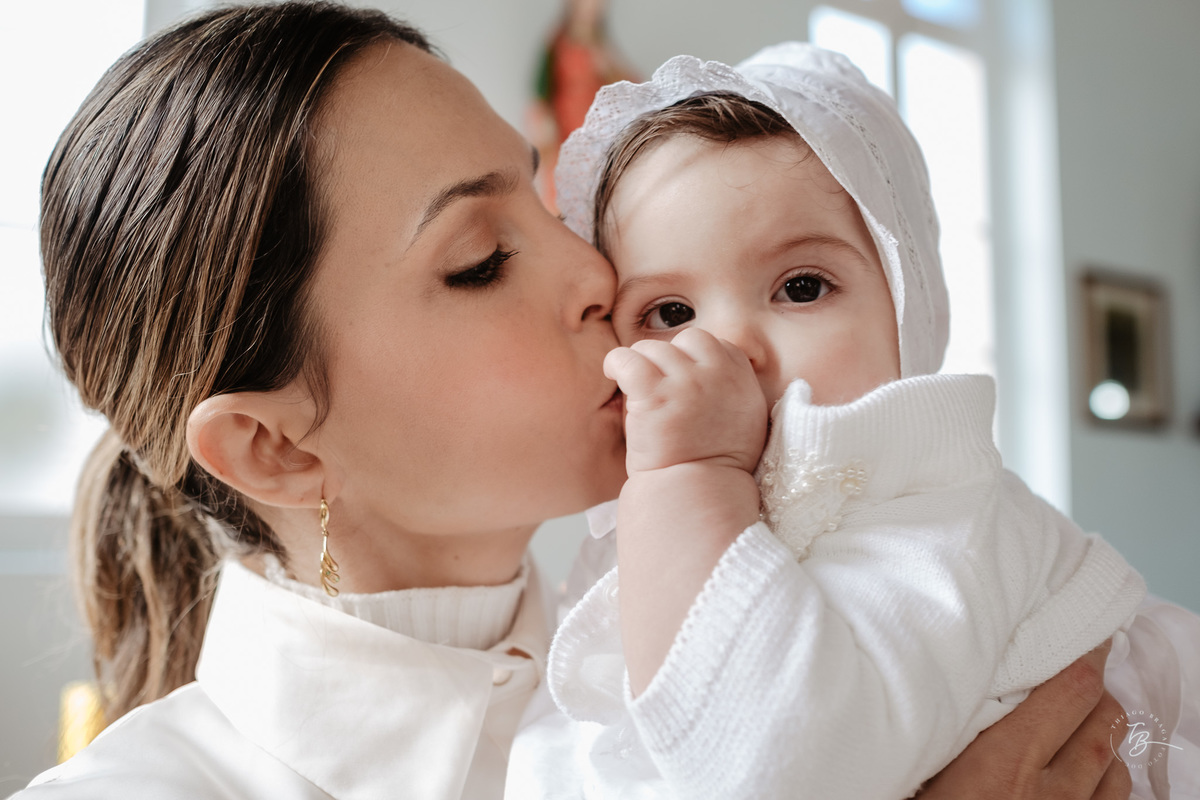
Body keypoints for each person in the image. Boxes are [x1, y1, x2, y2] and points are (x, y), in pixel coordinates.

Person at [13, 4, 1135, 798]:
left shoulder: (816, 605)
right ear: (270, 444)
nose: (600, 277)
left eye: (548, 205)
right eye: (481, 260)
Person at [512, 43, 1200, 799]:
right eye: (669, 313)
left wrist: (691, 477)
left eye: (801, 286)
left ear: (909, 314)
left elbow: (777, 765)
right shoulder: (624, 541)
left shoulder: (941, 523)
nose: (729, 346)